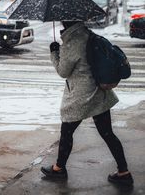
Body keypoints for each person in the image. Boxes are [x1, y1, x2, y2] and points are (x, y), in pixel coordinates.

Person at [41, 21, 133, 186]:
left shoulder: (73, 42)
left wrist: (54, 52)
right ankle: (123, 171)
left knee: (67, 131)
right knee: (107, 133)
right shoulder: (87, 34)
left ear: (66, 23)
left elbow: (63, 71)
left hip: (81, 96)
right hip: (98, 92)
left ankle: (58, 169)